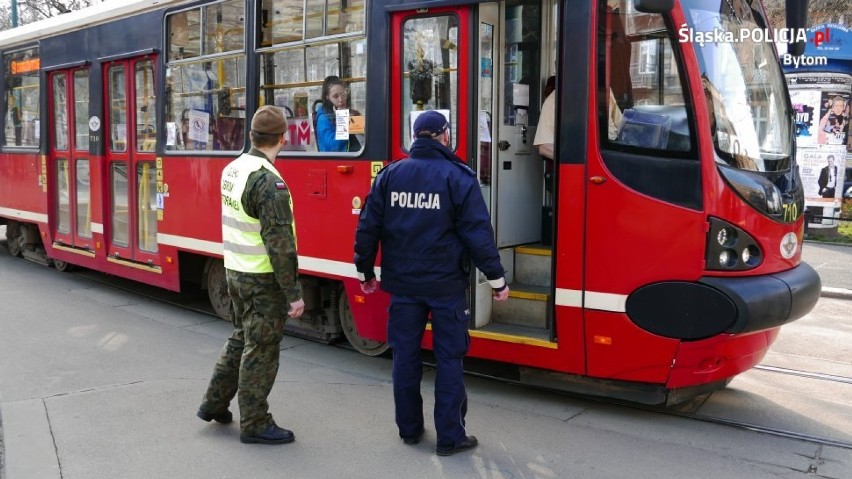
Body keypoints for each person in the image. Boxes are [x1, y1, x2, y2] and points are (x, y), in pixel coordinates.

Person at [354, 110, 510, 456]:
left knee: (405, 356)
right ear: (444, 136)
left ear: (415, 136)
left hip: (404, 286)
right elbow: (478, 235)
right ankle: (450, 437)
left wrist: (365, 272)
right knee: (449, 358)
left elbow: (367, 228)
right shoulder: (458, 177)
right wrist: (497, 280)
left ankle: (409, 430)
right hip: (445, 286)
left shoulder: (391, 175)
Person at [197, 105, 305, 445]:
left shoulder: (234, 168)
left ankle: (214, 403)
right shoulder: (267, 181)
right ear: (283, 140)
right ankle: (255, 423)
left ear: (252, 135)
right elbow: (280, 245)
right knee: (261, 350)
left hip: (235, 272)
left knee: (242, 338)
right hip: (262, 279)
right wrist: (294, 293)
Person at [315, 75, 361, 152]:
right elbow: (334, 147)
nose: (341, 100)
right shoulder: (323, 118)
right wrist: (343, 120)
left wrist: (357, 119)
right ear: (327, 97)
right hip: (335, 160)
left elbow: (364, 138)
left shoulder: (349, 113)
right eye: (335, 96)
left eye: (343, 95)